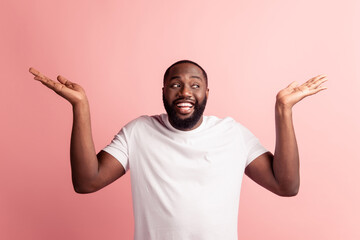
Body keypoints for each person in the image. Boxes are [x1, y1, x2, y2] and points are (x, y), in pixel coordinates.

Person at [29, 60, 327, 240]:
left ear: (206, 93)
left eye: (195, 85)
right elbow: (86, 181)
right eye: (175, 84)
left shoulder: (232, 133)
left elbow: (286, 185)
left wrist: (283, 110)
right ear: (163, 92)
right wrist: (80, 106)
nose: (185, 91)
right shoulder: (139, 131)